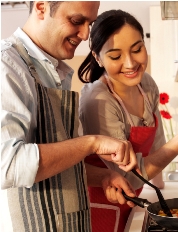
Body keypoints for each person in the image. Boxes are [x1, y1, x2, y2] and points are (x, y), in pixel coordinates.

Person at [1, 2, 140, 231]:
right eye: (77, 21)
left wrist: (102, 176)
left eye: (90, 23)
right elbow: (8, 165)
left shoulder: (56, 73)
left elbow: (58, 163)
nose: (86, 35)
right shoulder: (7, 66)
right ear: (41, 7)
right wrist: (91, 143)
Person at [78, 9, 178, 232]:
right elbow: (127, 178)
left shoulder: (146, 85)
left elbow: (157, 144)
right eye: (115, 56)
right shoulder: (98, 102)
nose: (131, 63)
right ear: (97, 57)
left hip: (134, 198)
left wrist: (158, 185)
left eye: (137, 49)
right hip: (103, 204)